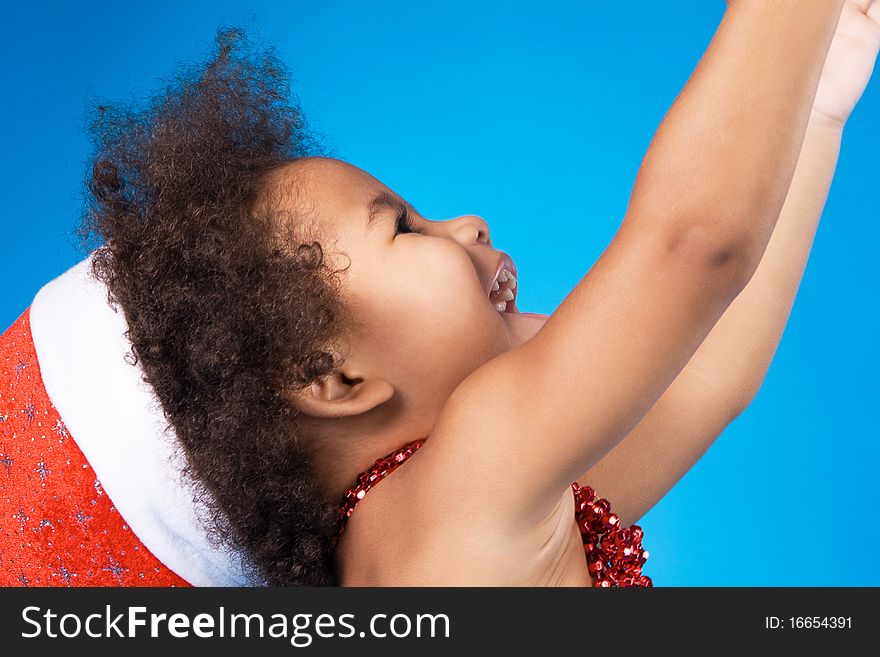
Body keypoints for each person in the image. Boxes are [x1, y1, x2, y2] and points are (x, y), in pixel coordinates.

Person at [1, 0, 877, 587]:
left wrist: (822, 99)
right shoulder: (467, 491)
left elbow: (701, 377)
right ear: (331, 377)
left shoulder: (450, 531)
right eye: (406, 229)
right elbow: (692, 248)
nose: (467, 223)